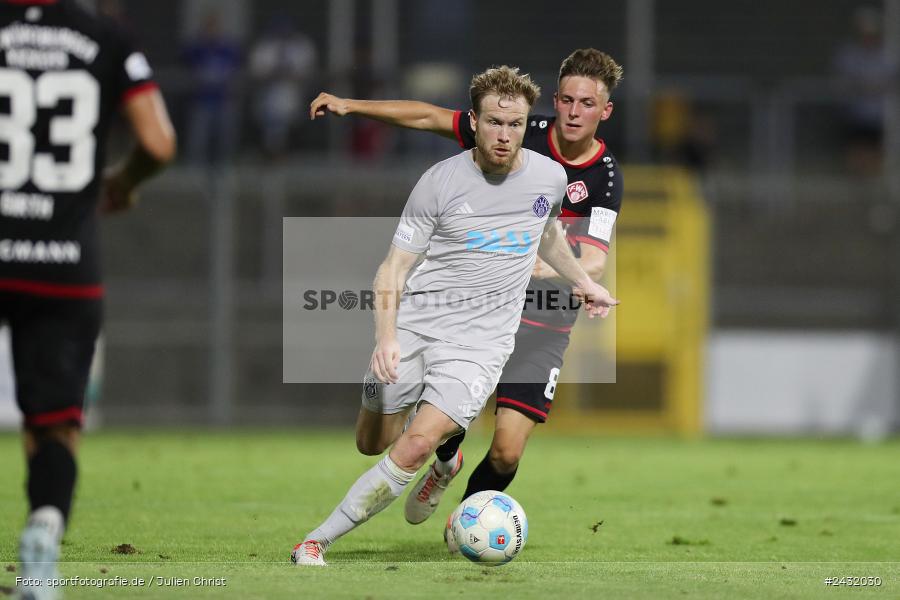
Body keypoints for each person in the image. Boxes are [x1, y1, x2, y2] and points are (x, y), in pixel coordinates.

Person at [293, 65, 618, 566]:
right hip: (418, 326)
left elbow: (549, 233)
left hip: (483, 345)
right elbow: (392, 269)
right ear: (476, 121)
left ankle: (316, 541)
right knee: (370, 441)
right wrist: (385, 338)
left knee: (418, 444)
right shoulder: (438, 182)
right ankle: (449, 454)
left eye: (514, 125)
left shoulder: (556, 177)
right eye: (494, 124)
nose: (505, 135)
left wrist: (583, 283)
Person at [0, 0, 176, 596]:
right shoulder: (104, 37)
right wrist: (121, 185)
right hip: (62, 264)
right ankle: (42, 545)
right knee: (53, 425)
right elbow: (157, 140)